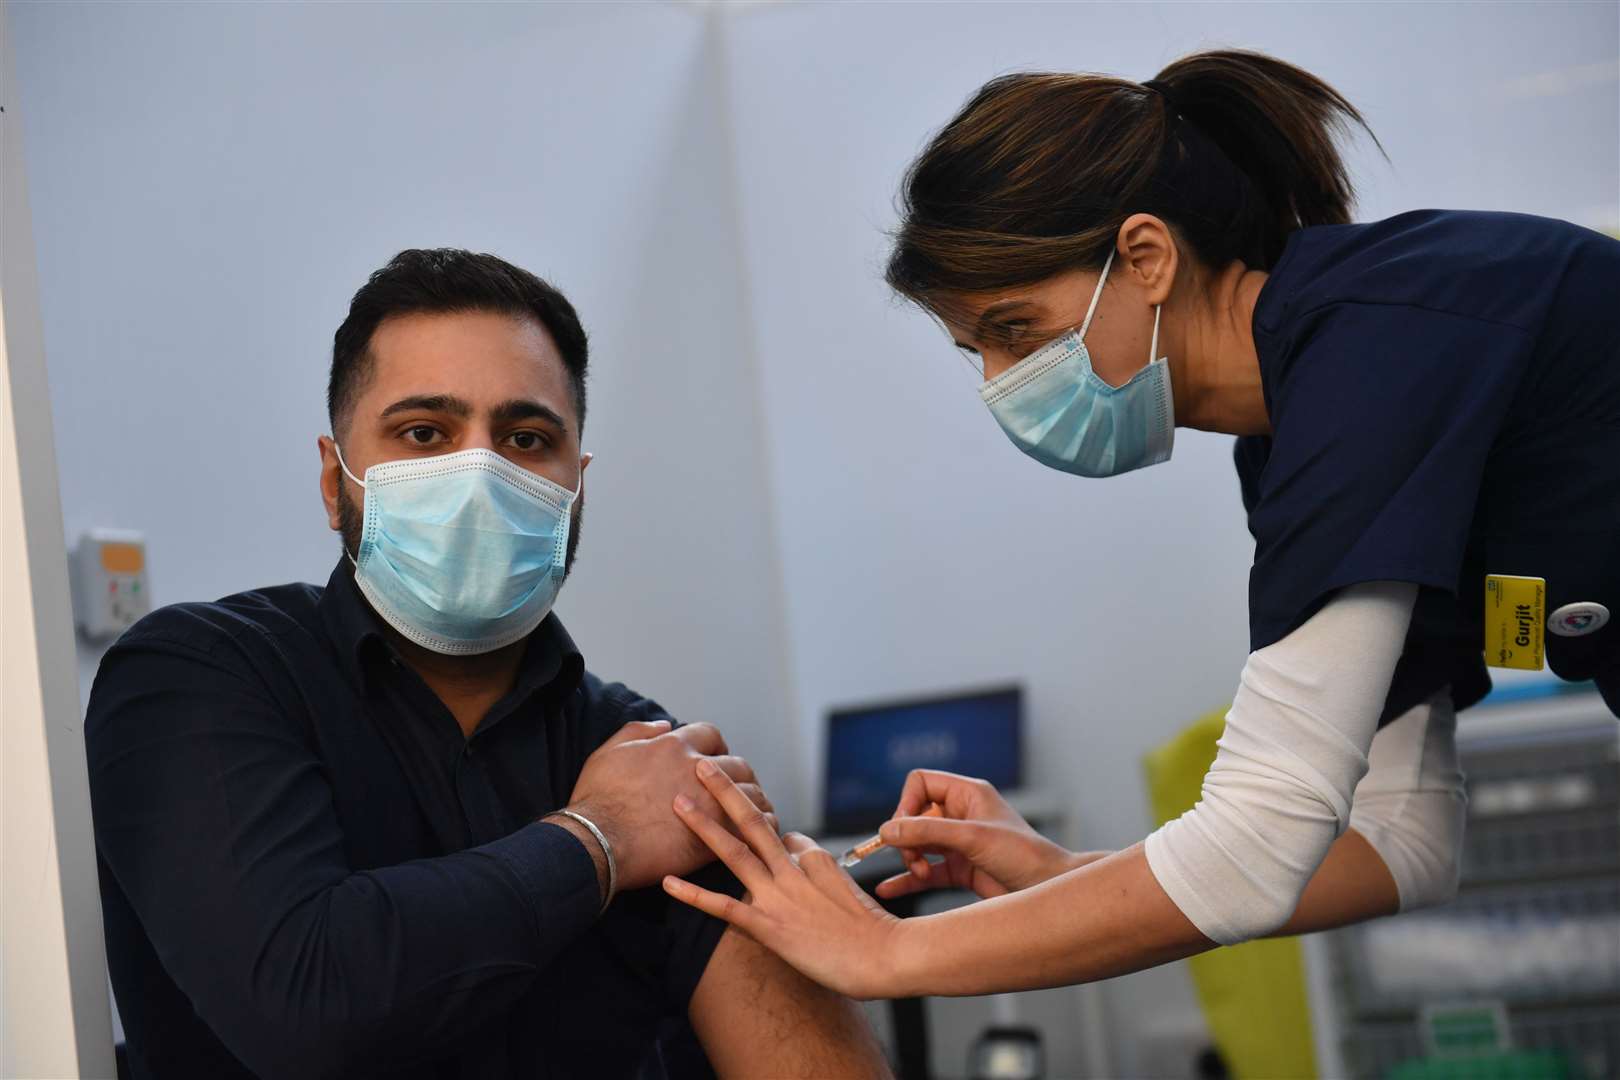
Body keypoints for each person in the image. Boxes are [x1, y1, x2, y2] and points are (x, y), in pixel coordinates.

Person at [660, 50, 1620, 1000]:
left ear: (1146, 257)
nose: (1000, 385)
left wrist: (884, 956)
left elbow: (1256, 845)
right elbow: (1402, 840)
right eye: (975, 353)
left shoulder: (1374, 351)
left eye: (1016, 332)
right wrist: (1063, 873)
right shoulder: (1292, 435)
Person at [85, 249, 888, 1079]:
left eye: (526, 438)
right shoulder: (198, 681)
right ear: (336, 482)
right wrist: (601, 838)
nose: (480, 474)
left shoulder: (648, 752)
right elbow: (303, 1006)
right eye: (424, 432)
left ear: (577, 486)